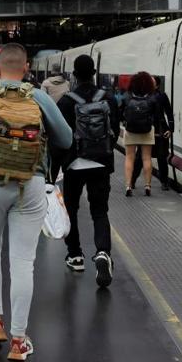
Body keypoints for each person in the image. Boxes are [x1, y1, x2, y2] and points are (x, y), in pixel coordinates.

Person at [0, 43, 72, 362]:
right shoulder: (38, 96)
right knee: (22, 261)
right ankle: (19, 342)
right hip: (30, 184)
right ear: (25, 69)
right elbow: (66, 138)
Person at [58, 55, 120, 287]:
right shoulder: (108, 99)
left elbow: (59, 138)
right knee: (100, 211)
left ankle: (75, 255)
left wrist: (55, 168)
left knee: (71, 210)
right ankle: (103, 253)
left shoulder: (66, 102)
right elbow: (114, 130)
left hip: (74, 165)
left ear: (73, 75)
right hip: (101, 163)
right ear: (94, 73)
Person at [128, 77, 173, 192]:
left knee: (162, 157)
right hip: (145, 129)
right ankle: (132, 181)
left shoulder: (162, 96)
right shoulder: (142, 96)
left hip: (160, 130)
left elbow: (169, 112)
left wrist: (171, 129)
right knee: (139, 158)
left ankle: (164, 182)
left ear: (157, 85)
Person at [121, 70, 158, 197]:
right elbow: (156, 115)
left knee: (129, 158)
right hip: (147, 130)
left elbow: (121, 111)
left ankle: (128, 186)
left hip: (130, 130)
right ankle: (147, 186)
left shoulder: (127, 96)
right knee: (146, 158)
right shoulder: (152, 97)